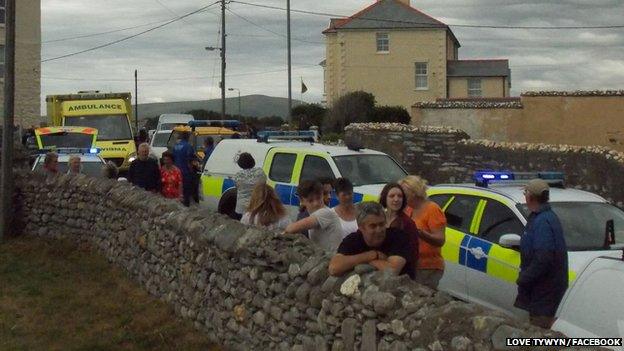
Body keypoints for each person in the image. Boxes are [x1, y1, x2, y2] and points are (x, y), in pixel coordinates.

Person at [514, 179, 568, 329]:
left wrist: (524, 278)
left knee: (539, 334)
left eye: (526, 193)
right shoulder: (543, 217)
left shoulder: (542, 221)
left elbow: (543, 258)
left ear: (531, 197)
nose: (524, 196)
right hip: (544, 290)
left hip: (544, 292)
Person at [328, 202, 415, 278]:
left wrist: (357, 262)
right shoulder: (352, 240)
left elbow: (391, 271)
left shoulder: (399, 237)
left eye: (381, 224)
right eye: (373, 226)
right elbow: (334, 268)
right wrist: (372, 255)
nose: (379, 230)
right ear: (361, 227)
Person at [399, 175, 446, 289]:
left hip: (427, 267)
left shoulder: (432, 209)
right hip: (411, 263)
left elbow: (440, 240)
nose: (401, 197)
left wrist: (421, 233)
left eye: (404, 193)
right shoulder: (408, 208)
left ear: (414, 192)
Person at [284, 180, 343, 252]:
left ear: (322, 195)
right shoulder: (310, 215)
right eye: (310, 200)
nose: (316, 203)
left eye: (318, 198)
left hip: (331, 259)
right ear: (302, 201)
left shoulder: (325, 213)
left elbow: (291, 228)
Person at [379, 183, 420, 269]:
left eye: (400, 196)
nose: (396, 199)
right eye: (392, 196)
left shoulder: (407, 223)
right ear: (384, 198)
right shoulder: (379, 219)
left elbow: (413, 253)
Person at [233, 152, 267, 220]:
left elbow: (237, 187)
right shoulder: (260, 172)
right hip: (257, 206)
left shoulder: (237, 176)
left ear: (240, 164)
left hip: (242, 208)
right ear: (253, 161)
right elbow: (264, 184)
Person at [173, 131, 196, 206]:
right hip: (185, 172)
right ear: (188, 137)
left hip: (176, 171)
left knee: (177, 191)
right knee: (186, 192)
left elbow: (173, 157)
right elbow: (190, 160)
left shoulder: (176, 146)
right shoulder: (188, 146)